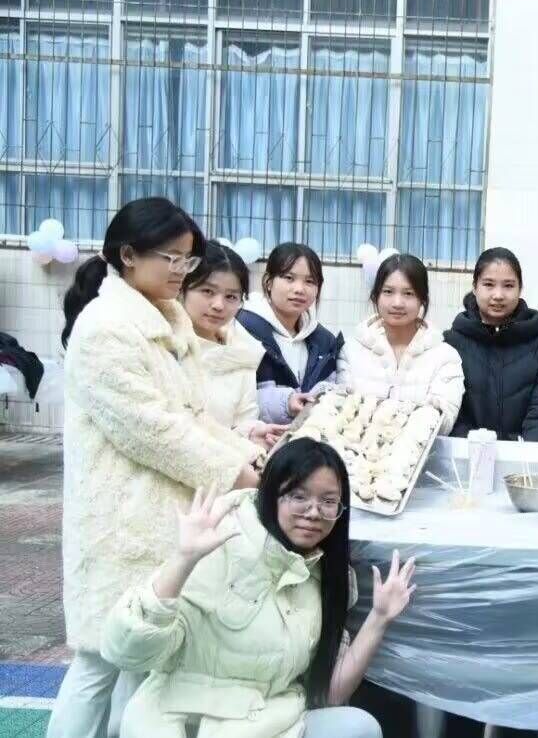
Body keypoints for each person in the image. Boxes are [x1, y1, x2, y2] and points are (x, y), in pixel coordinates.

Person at [48, 198, 262, 738]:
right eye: (172, 258)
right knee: (98, 660)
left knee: (141, 661)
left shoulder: (166, 319)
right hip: (119, 522)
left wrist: (249, 458)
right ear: (128, 255)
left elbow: (192, 414)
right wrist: (236, 472)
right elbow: (154, 431)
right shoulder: (105, 329)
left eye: (187, 259)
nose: (181, 271)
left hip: (159, 517)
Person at [100, 438, 415, 738]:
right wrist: (183, 561)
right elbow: (126, 653)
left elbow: (330, 693)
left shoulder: (325, 575)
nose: (314, 512)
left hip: (271, 725)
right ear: (271, 494)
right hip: (186, 726)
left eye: (328, 501)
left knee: (359, 727)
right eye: (298, 496)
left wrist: (379, 617)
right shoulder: (221, 544)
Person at [445, 248, 538, 443]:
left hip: (526, 458)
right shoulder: (451, 344)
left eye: (508, 286)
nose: (498, 295)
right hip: (466, 455)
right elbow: (450, 411)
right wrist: (477, 448)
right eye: (489, 284)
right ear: (475, 287)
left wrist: (521, 455)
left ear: (520, 288)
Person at [338, 254, 465, 435]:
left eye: (408, 293)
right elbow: (341, 413)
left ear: (422, 299)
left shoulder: (445, 357)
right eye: (388, 292)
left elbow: (443, 422)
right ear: (375, 296)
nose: (397, 303)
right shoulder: (350, 350)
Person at [180, 242, 288, 447]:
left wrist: (251, 435)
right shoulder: (164, 345)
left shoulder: (243, 354)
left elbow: (242, 423)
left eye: (231, 296)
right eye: (207, 291)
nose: (218, 305)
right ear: (182, 287)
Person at [238, 242, 344, 424]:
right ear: (268, 282)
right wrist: (285, 403)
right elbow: (236, 398)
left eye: (309, 281)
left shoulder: (324, 341)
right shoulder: (243, 328)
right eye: (289, 278)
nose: (299, 289)